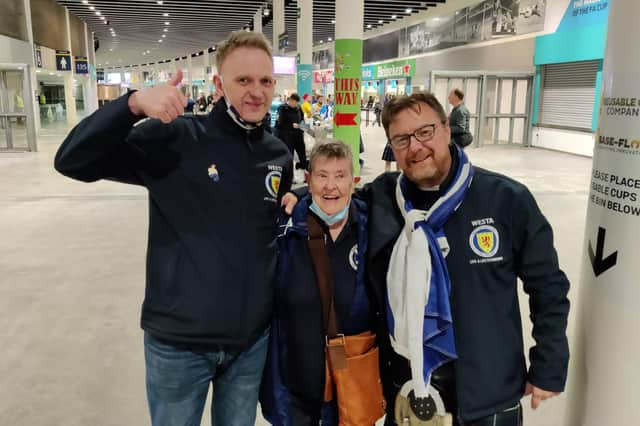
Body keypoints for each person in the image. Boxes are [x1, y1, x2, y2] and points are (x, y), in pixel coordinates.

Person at [284, 92, 570, 425]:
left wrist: (549, 363)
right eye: (402, 139)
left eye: (425, 132)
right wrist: (300, 193)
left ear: (447, 130)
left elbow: (548, 286)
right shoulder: (384, 199)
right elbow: (337, 194)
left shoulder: (505, 200)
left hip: (487, 392)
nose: (415, 147)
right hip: (409, 392)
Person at [54, 31, 293, 426]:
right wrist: (131, 105)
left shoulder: (277, 154)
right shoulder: (175, 138)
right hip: (180, 346)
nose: (257, 92)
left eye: (265, 81)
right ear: (218, 85)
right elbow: (72, 160)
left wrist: (299, 199)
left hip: (250, 344)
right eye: (244, 80)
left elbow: (269, 227)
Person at [261, 141, 377, 425]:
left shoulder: (373, 225)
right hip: (296, 383)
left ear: (354, 180)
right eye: (322, 176)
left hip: (350, 378)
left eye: (340, 176)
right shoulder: (286, 228)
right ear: (309, 179)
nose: (331, 186)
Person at [276, 93, 308, 170]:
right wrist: (291, 125)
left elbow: (302, 119)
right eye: (294, 103)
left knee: (302, 153)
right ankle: (290, 173)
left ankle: (304, 169)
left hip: (298, 134)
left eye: (297, 103)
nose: (296, 105)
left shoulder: (298, 107)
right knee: (290, 155)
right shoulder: (282, 108)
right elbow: (280, 123)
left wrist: (301, 125)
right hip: (287, 136)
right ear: (290, 100)